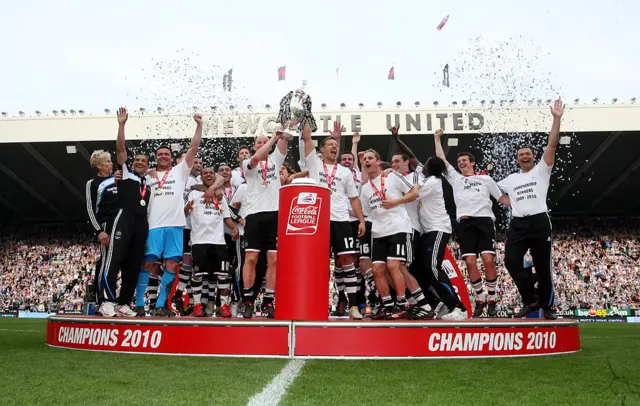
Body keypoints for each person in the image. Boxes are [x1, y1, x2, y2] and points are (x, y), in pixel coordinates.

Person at [498, 100, 565, 320]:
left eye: (527, 154)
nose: (524, 156)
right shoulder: (510, 179)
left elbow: (552, 145)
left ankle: (547, 307)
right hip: (518, 223)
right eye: (521, 155)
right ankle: (530, 299)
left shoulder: (541, 170)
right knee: (511, 261)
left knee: (542, 266)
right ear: (517, 160)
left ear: (533, 157)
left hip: (539, 221)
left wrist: (556, 118)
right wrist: (511, 203)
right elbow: (497, 194)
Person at [136, 113, 206, 317]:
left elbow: (193, 148)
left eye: (167, 154)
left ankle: (160, 304)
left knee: (173, 265)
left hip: (176, 225)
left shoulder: (179, 171)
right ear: (156, 158)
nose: (163, 157)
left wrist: (199, 125)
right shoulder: (148, 176)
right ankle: (140, 303)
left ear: (172, 157)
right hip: (154, 226)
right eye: (160, 155)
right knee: (148, 264)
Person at [434, 129, 508, 317]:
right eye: (459, 162)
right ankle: (480, 299)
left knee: (488, 260)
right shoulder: (456, 179)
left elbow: (501, 199)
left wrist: (524, 204)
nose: (461, 163)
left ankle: (491, 299)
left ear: (472, 163)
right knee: (469, 261)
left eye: (464, 161)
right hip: (465, 223)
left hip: (484, 221)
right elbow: (442, 160)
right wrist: (436, 138)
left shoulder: (485, 179)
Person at [302, 121, 366, 319]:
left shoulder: (345, 172)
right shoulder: (313, 164)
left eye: (336, 145)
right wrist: (305, 113)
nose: (334, 147)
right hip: (318, 221)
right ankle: (316, 303)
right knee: (317, 262)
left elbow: (354, 199)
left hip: (341, 220)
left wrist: (361, 221)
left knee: (347, 260)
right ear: (321, 149)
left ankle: (353, 306)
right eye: (330, 145)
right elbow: (306, 137)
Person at [98, 107, 151, 317]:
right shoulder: (126, 173)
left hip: (141, 221)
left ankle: (124, 303)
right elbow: (120, 150)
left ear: (148, 166)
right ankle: (107, 300)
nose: (139, 162)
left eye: (143, 161)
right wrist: (122, 125)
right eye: (136, 160)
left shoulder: (149, 181)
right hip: (124, 217)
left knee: (135, 263)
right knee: (115, 258)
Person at [360, 149, 419, 319]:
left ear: (378, 162)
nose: (366, 160)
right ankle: (388, 305)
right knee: (377, 269)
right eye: (364, 159)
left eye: (370, 158)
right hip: (379, 231)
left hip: (398, 227)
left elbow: (414, 192)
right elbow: (367, 212)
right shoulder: (365, 189)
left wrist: (395, 202)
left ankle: (402, 303)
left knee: (393, 266)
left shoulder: (391, 177)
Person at [239, 131, 289, 318]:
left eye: (264, 141)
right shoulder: (247, 163)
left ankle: (268, 301)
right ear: (254, 146)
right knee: (251, 259)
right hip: (253, 214)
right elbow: (258, 157)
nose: (262, 144)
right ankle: (248, 300)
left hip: (274, 214)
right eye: (259, 142)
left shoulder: (275, 159)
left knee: (274, 260)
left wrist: (284, 128)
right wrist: (273, 139)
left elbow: (283, 143)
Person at [413, 157, 468, 320]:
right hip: (428, 231)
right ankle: (438, 303)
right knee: (418, 269)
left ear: (430, 167)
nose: (422, 167)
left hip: (438, 229)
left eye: (426, 163)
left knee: (432, 267)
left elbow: (413, 194)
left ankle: (458, 307)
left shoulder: (433, 182)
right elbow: (413, 159)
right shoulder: (427, 179)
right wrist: (396, 138)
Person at [185, 167, 239, 317]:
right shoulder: (194, 193)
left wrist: (234, 228)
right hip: (199, 241)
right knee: (198, 274)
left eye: (211, 173)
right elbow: (184, 212)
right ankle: (197, 305)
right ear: (201, 177)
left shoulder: (220, 196)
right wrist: (187, 208)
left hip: (218, 241)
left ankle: (224, 306)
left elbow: (226, 216)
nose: (208, 175)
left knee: (223, 275)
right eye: (205, 173)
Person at [85, 150, 119, 306]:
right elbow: (90, 209)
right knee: (106, 262)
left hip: (122, 224)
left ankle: (119, 300)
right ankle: (101, 299)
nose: (111, 163)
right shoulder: (92, 184)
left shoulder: (118, 179)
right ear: (99, 165)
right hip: (106, 225)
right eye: (107, 162)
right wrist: (99, 231)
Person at [170, 155, 202, 315]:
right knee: (185, 264)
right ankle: (177, 295)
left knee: (190, 265)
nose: (198, 165)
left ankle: (181, 294)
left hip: (195, 228)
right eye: (195, 162)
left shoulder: (200, 181)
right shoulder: (181, 177)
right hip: (182, 227)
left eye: (200, 163)